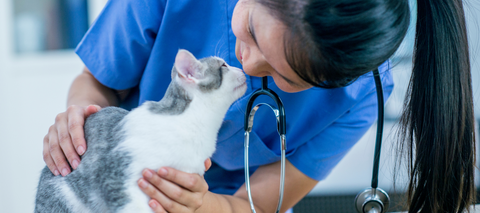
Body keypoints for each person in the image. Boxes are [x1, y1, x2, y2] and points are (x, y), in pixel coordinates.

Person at [42, 0, 475, 212]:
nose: (247, 63)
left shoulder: (359, 97)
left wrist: (199, 206)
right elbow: (97, 83)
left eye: (286, 78)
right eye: (249, 29)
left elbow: (254, 205)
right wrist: (81, 117)